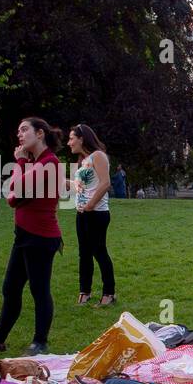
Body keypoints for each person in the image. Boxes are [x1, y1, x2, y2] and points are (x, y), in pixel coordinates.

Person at [0, 117, 64, 356]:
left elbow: (15, 192)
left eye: (24, 130)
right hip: (24, 237)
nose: (19, 135)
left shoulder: (49, 163)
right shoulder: (35, 164)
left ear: (40, 134)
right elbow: (14, 197)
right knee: (10, 288)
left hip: (41, 238)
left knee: (39, 290)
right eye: (18, 130)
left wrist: (19, 161)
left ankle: (40, 342)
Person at [68, 123, 116, 307]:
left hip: (96, 214)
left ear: (81, 138)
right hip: (82, 214)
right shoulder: (84, 160)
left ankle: (109, 293)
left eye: (71, 138)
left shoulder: (98, 156)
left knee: (99, 251)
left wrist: (90, 205)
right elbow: (81, 187)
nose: (69, 142)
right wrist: (64, 182)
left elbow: (105, 183)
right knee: (84, 254)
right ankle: (84, 292)